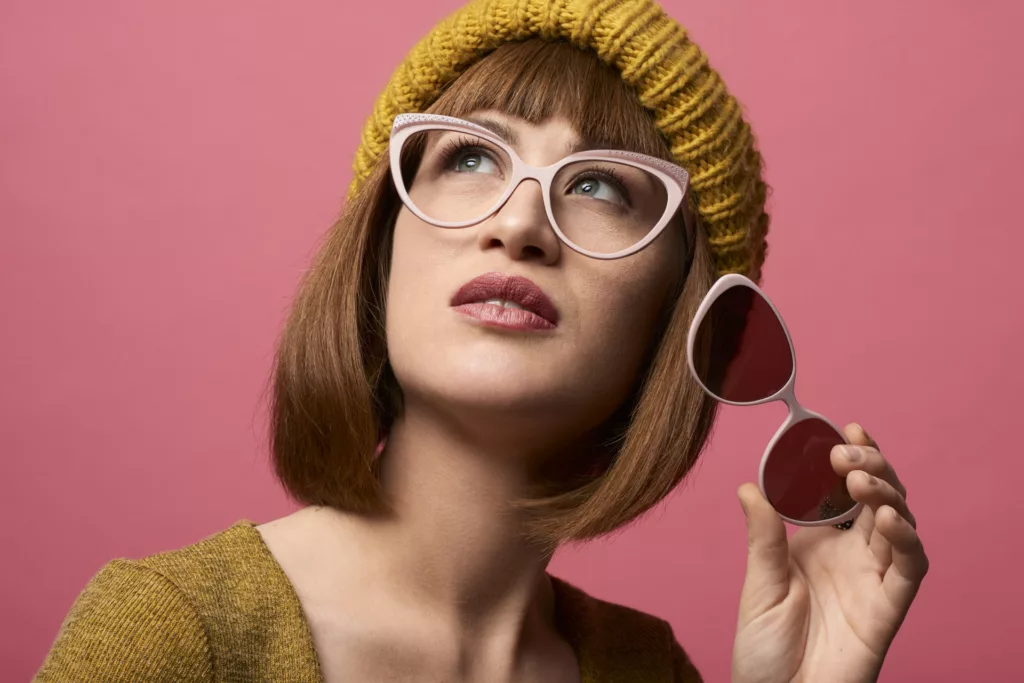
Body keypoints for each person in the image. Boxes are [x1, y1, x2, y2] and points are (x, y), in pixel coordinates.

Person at [34, 0, 928, 681]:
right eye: (469, 157)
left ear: (681, 318)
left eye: (604, 187)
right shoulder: (178, 632)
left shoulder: (643, 666)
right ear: (383, 240)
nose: (521, 222)